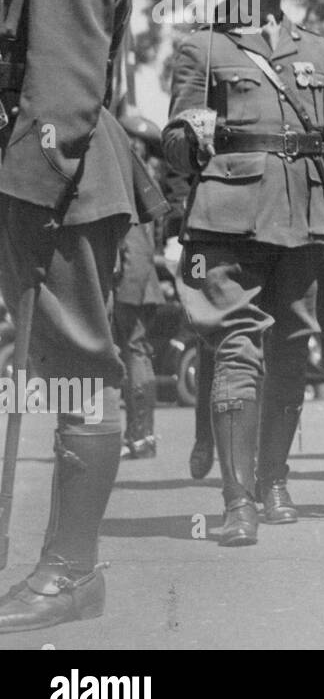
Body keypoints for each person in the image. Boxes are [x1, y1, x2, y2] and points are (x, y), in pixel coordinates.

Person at [0, 0, 154, 631]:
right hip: (51, 177)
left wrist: (25, 191)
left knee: (77, 372)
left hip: (58, 183)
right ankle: (59, 568)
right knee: (56, 375)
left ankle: (69, 574)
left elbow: (62, 87)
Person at [164, 0, 324, 547]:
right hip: (228, 218)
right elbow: (174, 139)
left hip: (304, 216)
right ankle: (237, 499)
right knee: (236, 348)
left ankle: (274, 477)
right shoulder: (203, 46)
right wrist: (188, 138)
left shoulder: (319, 50)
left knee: (289, 349)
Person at [115, 112, 168, 459]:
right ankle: (143, 436)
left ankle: (138, 436)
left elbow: (133, 240)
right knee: (140, 353)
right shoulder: (149, 181)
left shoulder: (128, 180)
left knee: (132, 354)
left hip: (131, 279)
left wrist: (123, 288)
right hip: (146, 281)